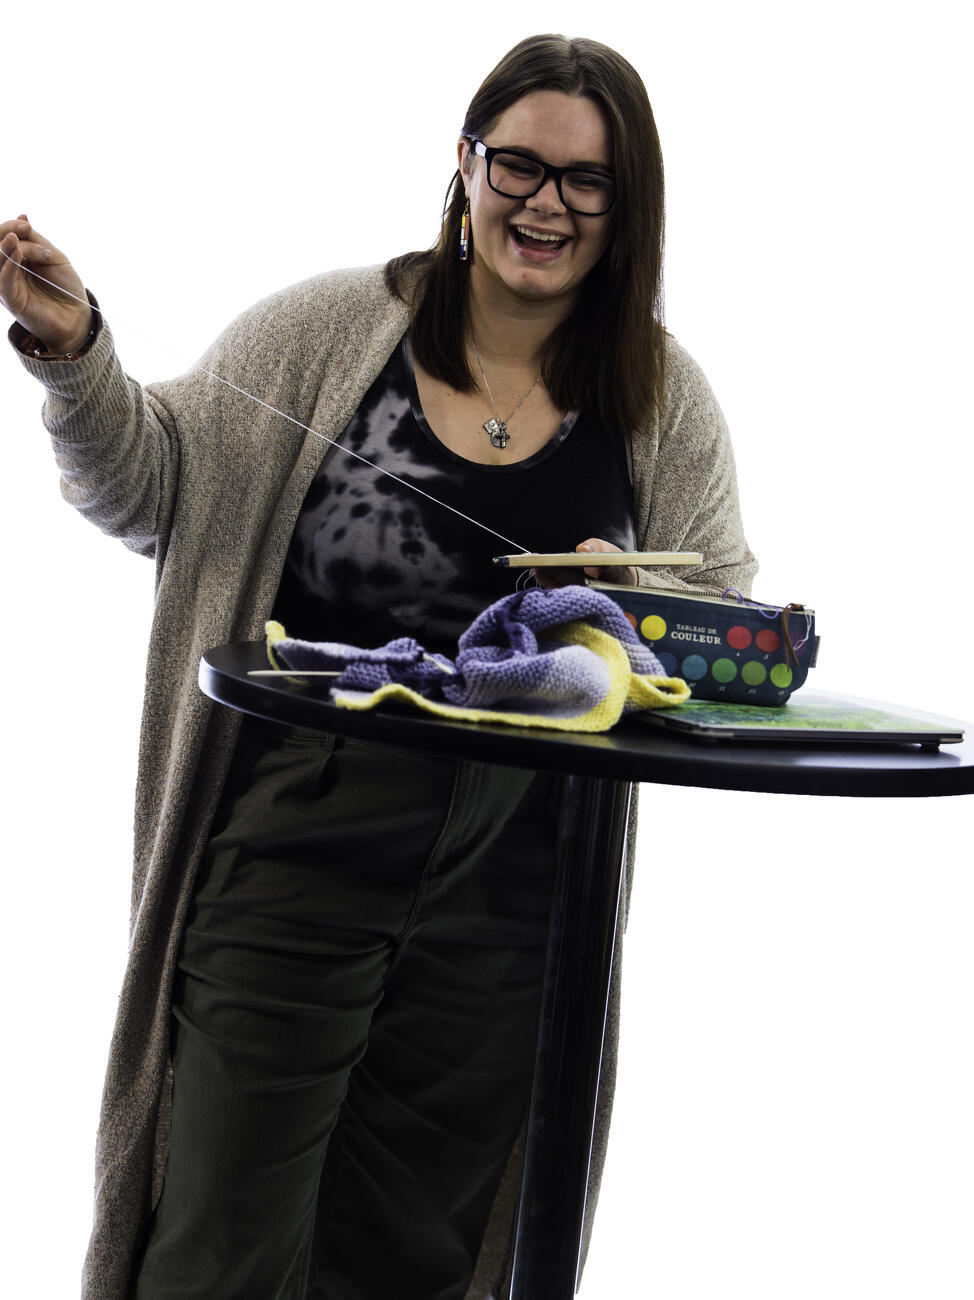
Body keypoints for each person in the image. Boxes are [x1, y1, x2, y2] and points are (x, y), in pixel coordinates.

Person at [1, 32, 756, 1300]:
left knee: (411, 1260)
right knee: (214, 1250)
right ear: (463, 166)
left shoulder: (659, 398)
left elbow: (714, 618)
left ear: (627, 212)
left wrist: (640, 607)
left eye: (588, 182)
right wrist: (77, 356)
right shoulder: (323, 334)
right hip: (300, 831)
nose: (546, 203)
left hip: (514, 882)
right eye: (517, 164)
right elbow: (156, 491)